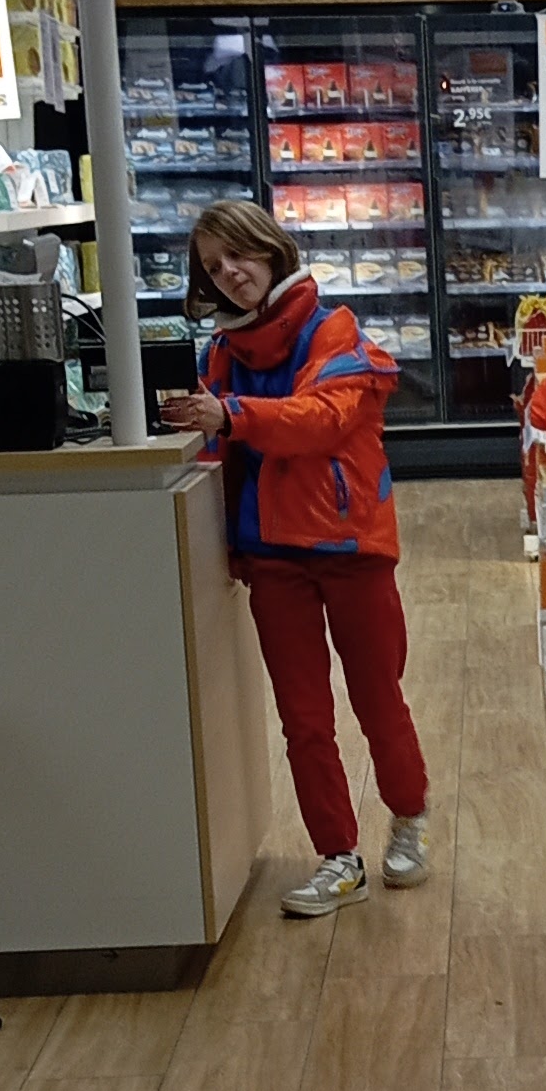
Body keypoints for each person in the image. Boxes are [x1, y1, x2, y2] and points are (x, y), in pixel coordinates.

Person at [162, 198, 430, 915]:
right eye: (213, 266)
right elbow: (220, 452)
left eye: (237, 254)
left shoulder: (331, 328)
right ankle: (338, 858)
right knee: (303, 718)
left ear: (269, 248)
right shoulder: (221, 353)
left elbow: (322, 420)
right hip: (272, 556)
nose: (229, 273)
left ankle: (409, 817)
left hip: (350, 547)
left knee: (377, 698)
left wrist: (231, 415)